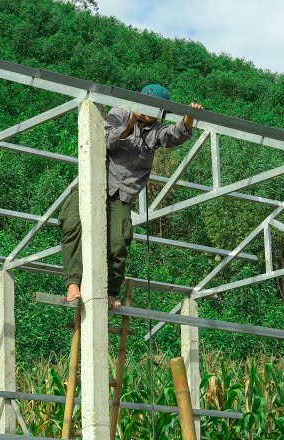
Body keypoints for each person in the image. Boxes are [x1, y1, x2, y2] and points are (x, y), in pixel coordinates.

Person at [61, 84, 202, 309]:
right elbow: (107, 140)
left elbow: (173, 136)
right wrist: (131, 123)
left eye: (155, 109)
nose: (149, 112)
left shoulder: (156, 130)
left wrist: (188, 118)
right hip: (94, 185)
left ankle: (109, 291)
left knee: (118, 242)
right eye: (146, 106)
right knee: (73, 224)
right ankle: (73, 283)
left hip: (122, 196)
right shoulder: (120, 113)